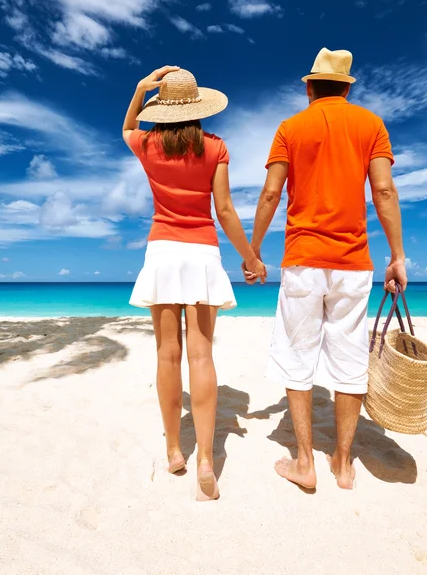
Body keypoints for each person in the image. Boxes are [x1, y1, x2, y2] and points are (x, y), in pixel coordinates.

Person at [245, 48, 407, 490]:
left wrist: (254, 250)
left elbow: (270, 194)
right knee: (350, 358)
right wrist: (397, 256)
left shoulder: (290, 128)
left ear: (310, 87)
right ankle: (343, 463)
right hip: (353, 262)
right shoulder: (370, 125)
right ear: (347, 86)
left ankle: (304, 462)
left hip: (302, 259)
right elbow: (384, 192)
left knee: (297, 357)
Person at [123, 66, 266, 501]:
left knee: (168, 357)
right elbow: (223, 209)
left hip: (163, 253)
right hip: (202, 253)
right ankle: (206, 457)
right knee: (201, 356)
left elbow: (128, 125)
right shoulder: (216, 147)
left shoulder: (147, 144)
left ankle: (172, 450)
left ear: (162, 108)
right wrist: (250, 257)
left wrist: (139, 89)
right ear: (200, 108)